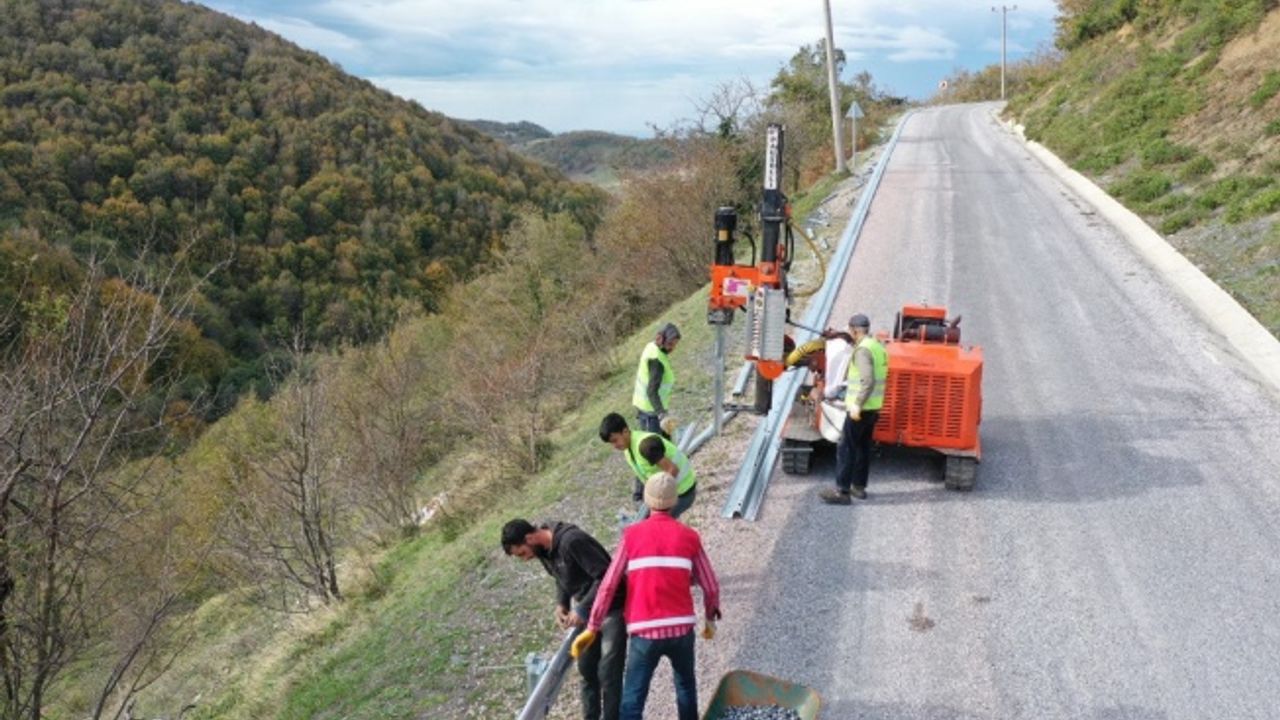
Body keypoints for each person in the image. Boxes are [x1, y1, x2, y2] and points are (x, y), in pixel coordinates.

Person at [570, 472, 721, 720]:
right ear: (675, 501)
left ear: (647, 501)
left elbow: (608, 585)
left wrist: (593, 626)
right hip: (682, 629)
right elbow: (711, 585)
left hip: (645, 633)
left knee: (633, 701)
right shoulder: (689, 536)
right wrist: (710, 619)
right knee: (685, 687)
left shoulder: (631, 536)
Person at [501, 519, 626, 720]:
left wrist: (582, 608)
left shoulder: (572, 541)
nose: (525, 559)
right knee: (587, 671)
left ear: (530, 538)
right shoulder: (544, 551)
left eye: (522, 553)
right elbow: (560, 577)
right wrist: (562, 603)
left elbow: (606, 575)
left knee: (609, 674)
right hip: (589, 615)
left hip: (613, 609)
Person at [820, 313, 888, 504]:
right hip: (873, 407)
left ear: (854, 330)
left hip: (861, 409)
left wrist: (857, 404)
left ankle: (842, 492)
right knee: (862, 447)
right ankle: (859, 488)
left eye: (849, 330)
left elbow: (868, 380)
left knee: (846, 447)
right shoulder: (877, 347)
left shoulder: (862, 350)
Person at [598, 412, 696, 518]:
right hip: (671, 490)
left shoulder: (646, 446)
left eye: (615, 440)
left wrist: (657, 498)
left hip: (683, 491)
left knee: (658, 524)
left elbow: (673, 470)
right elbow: (644, 473)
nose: (614, 446)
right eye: (611, 443)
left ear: (625, 431)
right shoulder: (628, 449)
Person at [632, 323, 680, 438]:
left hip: (653, 409)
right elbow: (651, 391)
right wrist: (662, 414)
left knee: (666, 443)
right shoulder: (656, 361)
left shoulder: (652, 347)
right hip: (650, 413)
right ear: (660, 339)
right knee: (655, 445)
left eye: (675, 344)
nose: (672, 348)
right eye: (670, 344)